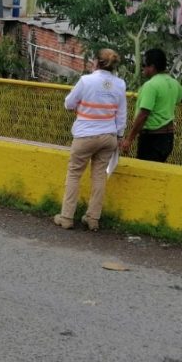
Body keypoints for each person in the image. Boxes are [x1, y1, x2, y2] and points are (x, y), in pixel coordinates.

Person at [53, 49, 127, 232]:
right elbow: (122, 114)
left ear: (96, 62)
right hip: (108, 136)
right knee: (99, 176)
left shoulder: (86, 81)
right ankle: (93, 218)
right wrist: (119, 136)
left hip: (85, 135)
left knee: (74, 174)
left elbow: (69, 103)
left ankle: (67, 217)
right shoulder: (120, 84)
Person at [120, 48, 182, 163]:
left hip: (152, 139)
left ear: (152, 67)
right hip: (168, 139)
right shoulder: (173, 82)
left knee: (144, 175)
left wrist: (129, 139)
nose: (142, 68)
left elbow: (143, 115)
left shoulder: (151, 86)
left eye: (144, 65)